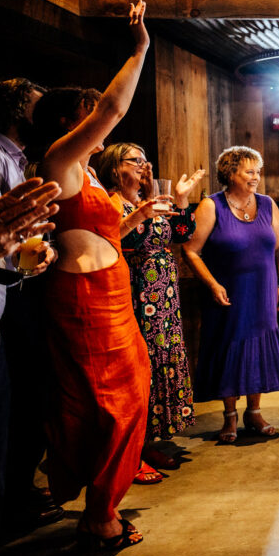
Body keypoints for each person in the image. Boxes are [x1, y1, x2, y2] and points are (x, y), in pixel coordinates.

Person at [35, 1, 152, 549]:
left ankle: (105, 502)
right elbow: (110, 108)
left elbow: (104, 234)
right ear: (69, 122)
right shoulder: (59, 160)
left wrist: (138, 218)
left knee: (132, 397)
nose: (101, 125)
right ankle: (98, 514)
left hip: (112, 297)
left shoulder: (88, 177)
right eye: (89, 115)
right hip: (84, 302)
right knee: (105, 404)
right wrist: (139, 50)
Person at [95, 143, 206, 479]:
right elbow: (115, 240)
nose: (144, 166)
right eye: (135, 161)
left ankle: (145, 443)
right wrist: (142, 213)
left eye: (146, 161)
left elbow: (183, 233)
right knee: (139, 371)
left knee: (159, 366)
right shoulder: (113, 202)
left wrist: (184, 200)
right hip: (136, 290)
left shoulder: (146, 200)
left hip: (163, 295)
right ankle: (130, 455)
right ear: (116, 167)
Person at [0, 78, 64, 531]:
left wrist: (41, 247)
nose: (45, 113)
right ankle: (14, 498)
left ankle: (18, 493)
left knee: (29, 395)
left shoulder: (17, 159)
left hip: (18, 285)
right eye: (38, 105)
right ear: (18, 110)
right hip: (3, 295)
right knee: (20, 399)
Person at [182, 146, 279, 443]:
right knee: (229, 346)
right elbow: (191, 250)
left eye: (257, 172)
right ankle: (230, 415)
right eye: (249, 171)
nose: (256, 177)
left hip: (263, 290)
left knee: (258, 346)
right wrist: (212, 283)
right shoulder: (211, 206)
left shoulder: (267, 204)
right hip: (229, 293)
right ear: (230, 173)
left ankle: (254, 411)